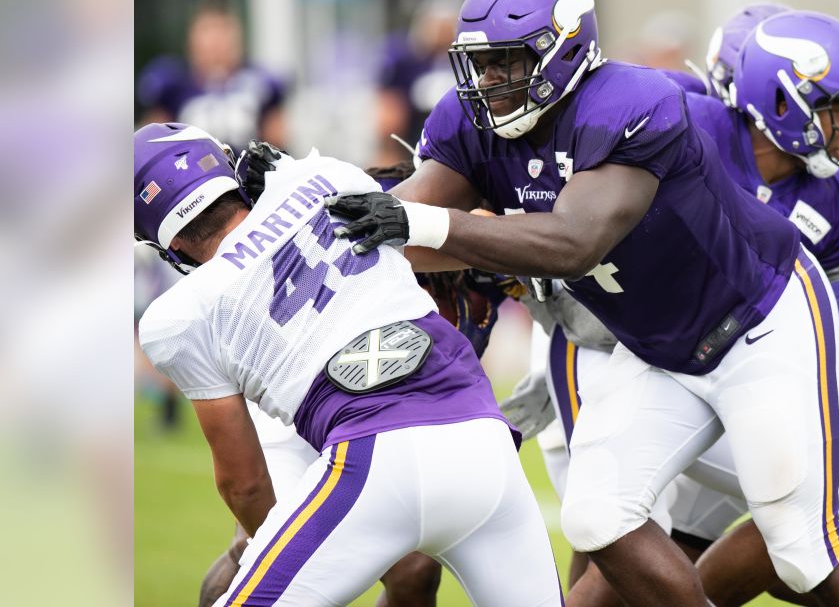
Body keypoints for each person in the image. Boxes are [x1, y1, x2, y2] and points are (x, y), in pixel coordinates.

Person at [326, 0, 839, 606]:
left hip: (758, 322)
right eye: (480, 64)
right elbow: (409, 224)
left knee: (800, 547)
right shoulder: (470, 119)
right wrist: (304, 202)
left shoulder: (631, 103)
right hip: (655, 347)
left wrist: (419, 222)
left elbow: (574, 242)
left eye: (508, 62)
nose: (489, 82)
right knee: (598, 517)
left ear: (564, 50)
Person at [134, 122, 561, 606]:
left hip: (369, 453)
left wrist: (288, 553)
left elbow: (245, 483)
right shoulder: (326, 176)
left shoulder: (176, 317)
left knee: (256, 564)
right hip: (484, 440)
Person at [137, 0, 287, 153]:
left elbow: (278, 146)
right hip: (191, 174)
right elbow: (152, 146)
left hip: (248, 174)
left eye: (223, 30)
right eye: (207, 31)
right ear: (191, 41)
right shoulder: (174, 84)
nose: (216, 41)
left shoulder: (260, 83)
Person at [373, 0, 466, 167]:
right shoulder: (405, 61)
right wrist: (389, 154)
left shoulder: (474, 59)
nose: (443, 31)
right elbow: (389, 118)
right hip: (414, 148)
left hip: (468, 147)